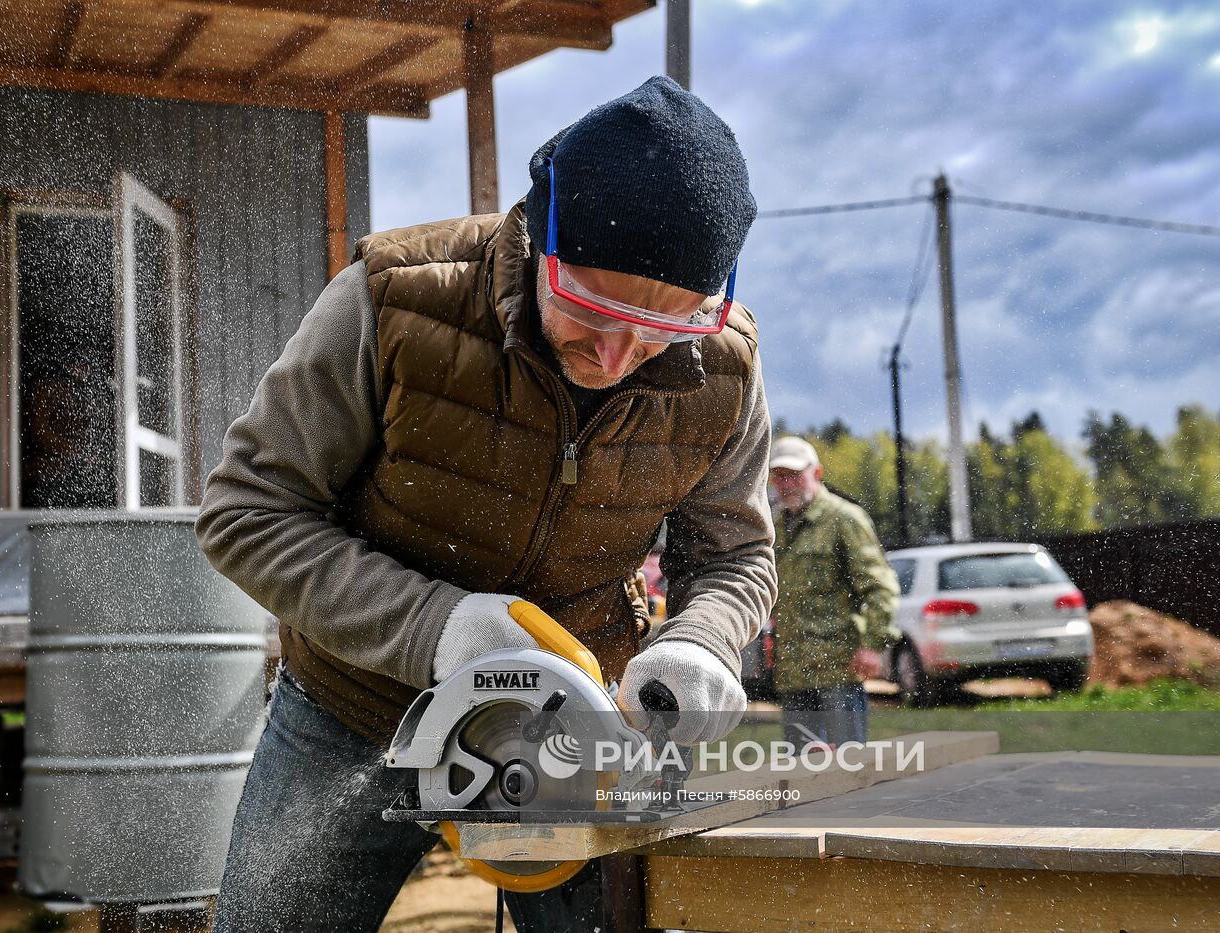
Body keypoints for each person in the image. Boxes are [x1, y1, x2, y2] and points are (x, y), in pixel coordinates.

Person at [195, 76, 777, 932]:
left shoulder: (725, 367)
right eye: (589, 305)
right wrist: (439, 630)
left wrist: (703, 640)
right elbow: (247, 510)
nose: (616, 355)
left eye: (664, 328)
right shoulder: (392, 302)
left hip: (581, 727)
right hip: (358, 707)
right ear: (540, 235)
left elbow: (734, 556)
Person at [766, 436, 899, 750]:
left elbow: (880, 588)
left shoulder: (844, 519)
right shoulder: (775, 527)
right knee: (799, 775)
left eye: (794, 474)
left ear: (817, 472)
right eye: (779, 476)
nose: (786, 484)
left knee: (846, 769)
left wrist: (873, 644)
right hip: (793, 672)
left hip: (838, 669)